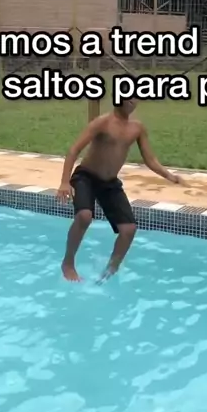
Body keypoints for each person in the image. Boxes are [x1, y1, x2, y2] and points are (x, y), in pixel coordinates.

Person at [57, 98, 184, 282]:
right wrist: (64, 182)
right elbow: (74, 150)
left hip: (109, 183)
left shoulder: (137, 128)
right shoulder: (102, 122)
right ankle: (68, 263)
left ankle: (110, 270)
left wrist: (170, 176)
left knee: (129, 229)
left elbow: (150, 159)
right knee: (84, 216)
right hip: (86, 177)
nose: (133, 101)